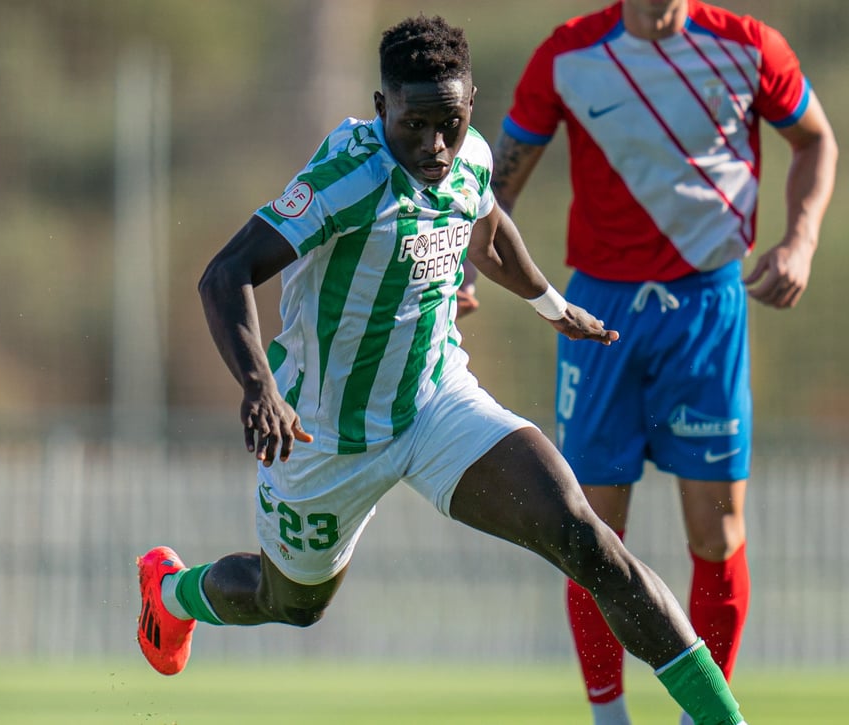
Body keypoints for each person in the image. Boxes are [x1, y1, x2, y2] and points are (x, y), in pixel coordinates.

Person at [135, 14, 748, 725]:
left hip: (436, 402)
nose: (433, 145)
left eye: (449, 123)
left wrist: (550, 303)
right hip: (323, 432)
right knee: (292, 603)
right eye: (413, 124)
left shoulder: (472, 157)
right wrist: (259, 389)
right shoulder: (348, 177)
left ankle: (722, 718)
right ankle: (172, 593)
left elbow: (485, 228)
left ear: (470, 106)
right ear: (380, 108)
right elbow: (225, 273)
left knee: (584, 535)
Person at [489, 1, 836, 723]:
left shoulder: (749, 47)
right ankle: (609, 717)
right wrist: (463, 269)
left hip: (709, 311)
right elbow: (497, 187)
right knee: (590, 532)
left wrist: (799, 240)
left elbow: (815, 141)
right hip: (599, 315)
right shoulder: (569, 54)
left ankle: (697, 718)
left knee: (717, 531)